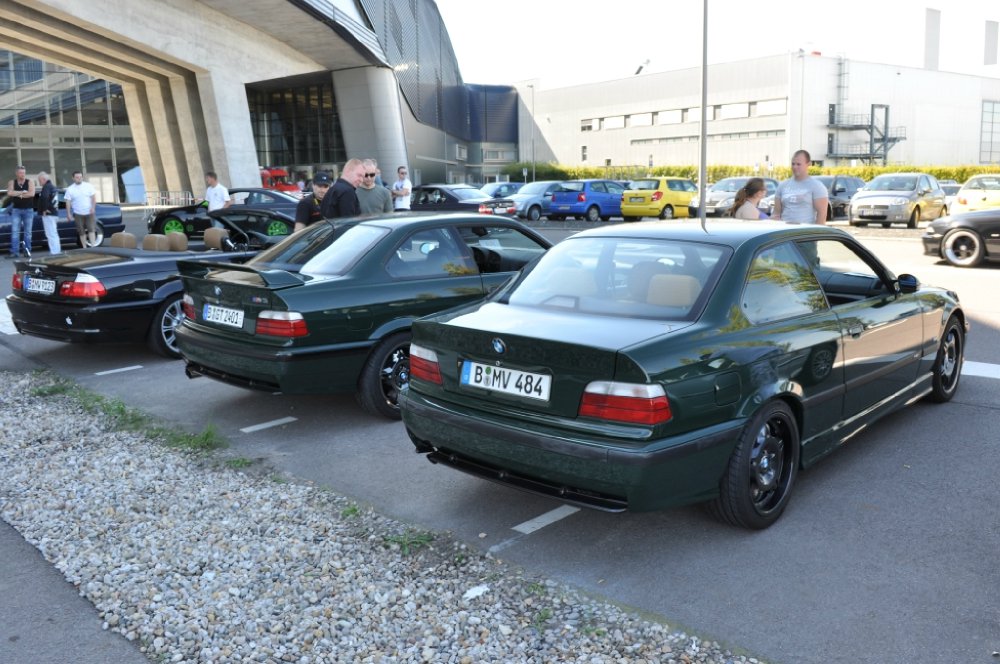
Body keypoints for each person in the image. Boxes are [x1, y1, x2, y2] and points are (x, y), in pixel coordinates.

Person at [772, 150, 828, 225]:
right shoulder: (782, 185)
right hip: (784, 232)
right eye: (793, 164)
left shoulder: (817, 186)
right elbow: (776, 213)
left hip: (804, 234)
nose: (795, 167)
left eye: (798, 164)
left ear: (808, 164)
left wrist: (817, 234)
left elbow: (822, 215)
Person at [6, 165, 35, 258]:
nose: (22, 174)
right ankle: (15, 252)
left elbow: (31, 194)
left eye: (23, 173)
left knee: (28, 232)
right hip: (16, 210)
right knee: (15, 231)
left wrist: (17, 193)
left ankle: (27, 251)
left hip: (28, 210)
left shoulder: (30, 182)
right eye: (20, 173)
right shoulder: (12, 182)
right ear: (16, 173)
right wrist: (22, 192)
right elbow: (9, 193)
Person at [64, 170, 97, 247]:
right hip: (78, 213)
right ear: (73, 178)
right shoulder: (70, 189)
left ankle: (93, 246)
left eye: (80, 177)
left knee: (91, 229)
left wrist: (93, 207)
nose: (79, 178)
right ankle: (84, 247)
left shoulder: (88, 186)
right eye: (77, 177)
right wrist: (68, 214)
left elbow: (93, 197)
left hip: (89, 212)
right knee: (81, 231)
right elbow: (68, 202)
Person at [36, 171, 60, 254]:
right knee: (53, 233)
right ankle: (56, 251)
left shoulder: (46, 187)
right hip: (54, 212)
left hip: (49, 214)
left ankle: (54, 252)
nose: (39, 182)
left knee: (50, 234)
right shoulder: (53, 186)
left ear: (43, 179)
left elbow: (45, 197)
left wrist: (45, 209)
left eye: (39, 180)